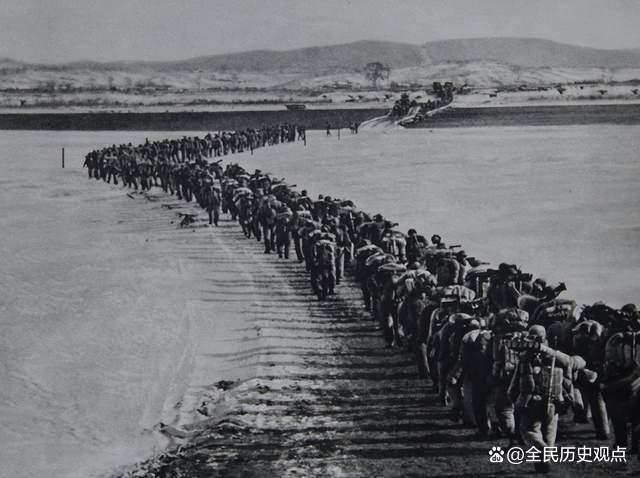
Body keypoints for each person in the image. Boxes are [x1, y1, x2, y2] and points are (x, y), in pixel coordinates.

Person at [508, 325, 588, 474]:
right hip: (553, 402)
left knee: (529, 430)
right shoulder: (556, 356)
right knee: (550, 432)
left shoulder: (525, 358)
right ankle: (545, 462)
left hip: (530, 402)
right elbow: (572, 362)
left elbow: (514, 383)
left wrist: (513, 398)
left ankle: (541, 450)